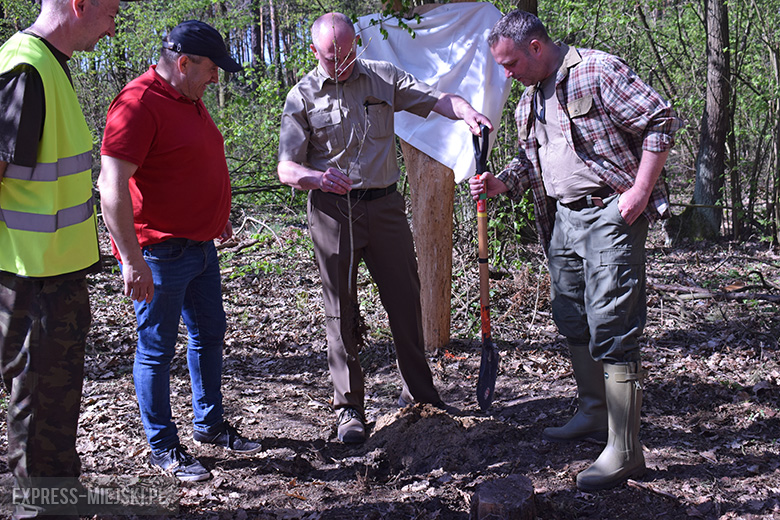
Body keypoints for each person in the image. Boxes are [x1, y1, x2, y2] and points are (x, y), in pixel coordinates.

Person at [470, 10, 682, 491]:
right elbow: (532, 160)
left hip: (612, 211)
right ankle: (592, 413)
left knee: (612, 323)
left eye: (510, 64)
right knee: (571, 316)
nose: (507, 74)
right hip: (563, 219)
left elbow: (659, 119)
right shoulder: (528, 101)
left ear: (536, 47)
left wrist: (640, 192)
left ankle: (626, 451)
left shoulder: (597, 70)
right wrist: (501, 182)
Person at [278, 12, 493, 444]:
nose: (341, 63)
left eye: (347, 52)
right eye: (330, 57)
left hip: (386, 206)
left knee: (405, 299)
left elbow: (435, 100)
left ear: (356, 42)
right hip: (332, 212)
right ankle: (349, 409)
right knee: (341, 310)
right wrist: (316, 178)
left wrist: (466, 110)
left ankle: (420, 394)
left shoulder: (382, 77)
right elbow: (286, 167)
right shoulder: (300, 97)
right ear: (314, 52)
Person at [97, 20, 260, 483]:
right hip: (160, 254)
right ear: (183, 62)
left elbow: (189, 166)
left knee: (209, 336)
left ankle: (209, 427)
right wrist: (131, 261)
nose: (216, 79)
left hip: (202, 248)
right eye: (211, 69)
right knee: (156, 351)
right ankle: (163, 447)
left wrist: (215, 213)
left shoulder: (190, 99)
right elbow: (110, 188)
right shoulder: (138, 103)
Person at [0, 0, 122, 517]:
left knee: (54, 399)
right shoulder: (26, 68)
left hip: (56, 273)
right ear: (79, 5)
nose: (115, 21)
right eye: (111, 9)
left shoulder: (50, 65)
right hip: (31, 277)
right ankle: (39, 510)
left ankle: (59, 497)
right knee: (37, 399)